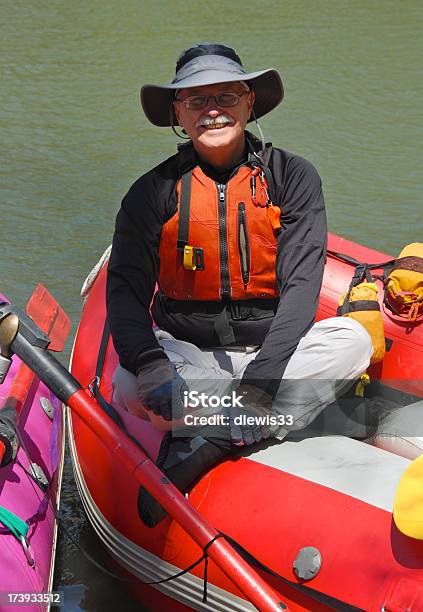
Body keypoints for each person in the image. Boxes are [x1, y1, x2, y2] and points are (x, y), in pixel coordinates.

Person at [106, 43, 373, 526]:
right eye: (196, 101)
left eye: (227, 98)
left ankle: (213, 441)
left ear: (250, 104)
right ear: (177, 114)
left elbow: (303, 284)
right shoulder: (151, 192)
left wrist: (263, 378)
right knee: (127, 384)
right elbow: (124, 292)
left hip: (274, 353)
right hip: (189, 354)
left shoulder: (293, 177)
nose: (213, 111)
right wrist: (149, 364)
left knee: (353, 341)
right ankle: (257, 422)